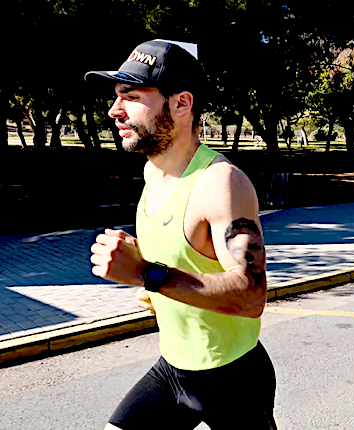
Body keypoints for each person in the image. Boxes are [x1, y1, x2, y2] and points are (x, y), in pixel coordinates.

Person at [85, 39, 277, 430]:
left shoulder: (222, 184)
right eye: (117, 96)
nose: (114, 110)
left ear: (182, 103)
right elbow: (186, 257)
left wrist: (147, 274)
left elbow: (251, 294)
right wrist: (148, 270)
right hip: (173, 372)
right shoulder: (152, 171)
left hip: (234, 379)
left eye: (132, 96)